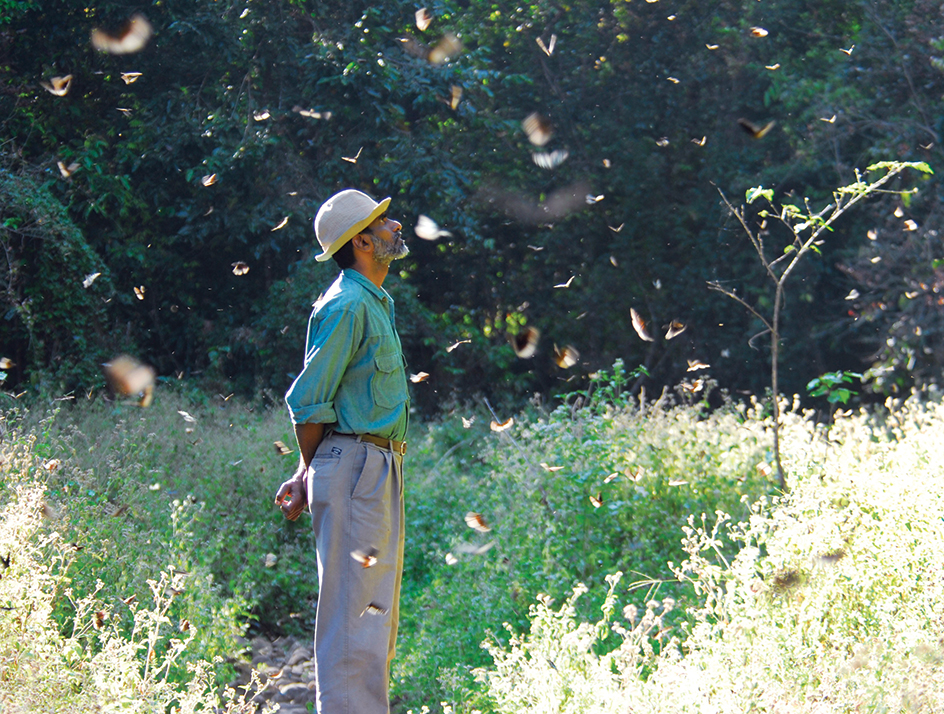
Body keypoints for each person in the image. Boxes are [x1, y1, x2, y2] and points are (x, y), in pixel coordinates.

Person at [274, 188, 411, 714]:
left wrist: (304, 470)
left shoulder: (372, 301)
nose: (395, 225)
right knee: (356, 624)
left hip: (372, 468)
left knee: (373, 620)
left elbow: (337, 404)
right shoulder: (347, 305)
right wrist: (312, 469)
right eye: (383, 222)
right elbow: (307, 402)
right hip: (358, 471)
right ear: (361, 241)